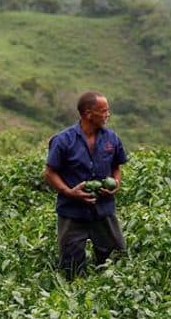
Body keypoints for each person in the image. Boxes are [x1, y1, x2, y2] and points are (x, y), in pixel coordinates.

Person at [43, 91, 128, 278]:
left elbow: (116, 167)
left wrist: (116, 184)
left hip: (104, 210)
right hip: (72, 212)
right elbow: (50, 173)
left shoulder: (111, 138)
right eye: (104, 111)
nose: (108, 114)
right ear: (88, 114)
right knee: (71, 268)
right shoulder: (64, 140)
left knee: (115, 260)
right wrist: (69, 192)